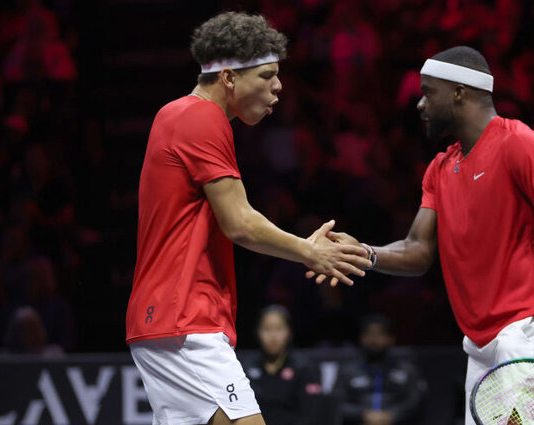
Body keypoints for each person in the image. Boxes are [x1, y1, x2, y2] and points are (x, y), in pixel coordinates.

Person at [308, 45, 534, 425]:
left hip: (531, 330)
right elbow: (417, 250)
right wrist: (363, 252)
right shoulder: (441, 168)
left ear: (459, 92)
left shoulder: (520, 144)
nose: (419, 104)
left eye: (428, 92)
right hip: (479, 345)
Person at [125, 12, 371, 425]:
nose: (278, 87)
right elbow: (240, 223)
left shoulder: (177, 114)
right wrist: (309, 252)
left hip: (167, 320)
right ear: (229, 77)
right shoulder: (201, 118)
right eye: (267, 75)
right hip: (184, 319)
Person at [333, 314, 427, 425]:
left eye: (380, 334)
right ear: (361, 338)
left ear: (391, 339)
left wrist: (393, 415)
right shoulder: (348, 371)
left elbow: (415, 401)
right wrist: (362, 414)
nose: (374, 339)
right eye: (369, 334)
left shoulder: (406, 371)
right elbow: (337, 402)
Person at [242, 305, 323, 425]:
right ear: (257, 332)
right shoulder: (246, 367)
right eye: (267, 329)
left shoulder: (304, 368)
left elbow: (310, 414)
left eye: (279, 328)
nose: (273, 335)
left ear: (289, 332)